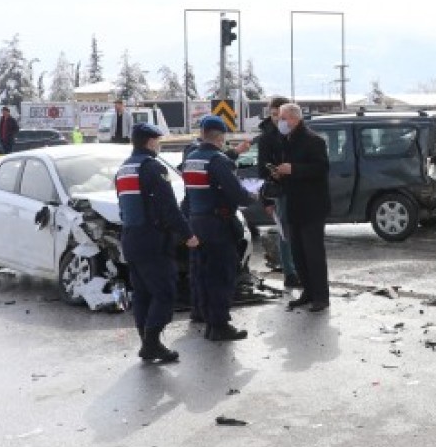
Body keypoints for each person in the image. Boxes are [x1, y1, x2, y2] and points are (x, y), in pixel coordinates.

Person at [115, 122, 199, 363]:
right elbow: (169, 207)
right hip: (153, 240)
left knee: (142, 294)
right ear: (151, 142)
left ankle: (147, 342)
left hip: (131, 238)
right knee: (164, 292)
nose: (159, 145)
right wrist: (188, 235)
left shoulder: (124, 169)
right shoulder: (152, 168)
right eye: (158, 141)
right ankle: (152, 343)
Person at [181, 115, 256, 341]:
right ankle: (219, 325)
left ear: (203, 134)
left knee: (201, 272)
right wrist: (254, 195)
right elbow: (237, 194)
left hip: (196, 222)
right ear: (221, 138)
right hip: (217, 225)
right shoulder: (218, 160)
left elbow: (188, 195)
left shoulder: (191, 158)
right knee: (221, 274)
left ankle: (202, 314)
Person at [272, 103, 331, 312]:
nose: (280, 122)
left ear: (294, 119)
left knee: (313, 253)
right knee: (298, 252)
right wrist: (280, 173)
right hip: (294, 204)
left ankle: (321, 296)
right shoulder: (286, 141)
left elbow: (321, 168)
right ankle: (308, 291)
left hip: (312, 205)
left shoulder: (313, 140)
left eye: (283, 118)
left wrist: (294, 169)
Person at [257, 96, 300, 288]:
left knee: (298, 232)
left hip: (298, 188)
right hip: (280, 190)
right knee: (285, 233)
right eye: (273, 115)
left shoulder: (296, 133)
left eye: (280, 115)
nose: (276, 119)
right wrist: (266, 199)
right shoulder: (267, 138)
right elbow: (262, 169)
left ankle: (299, 270)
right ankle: (290, 273)